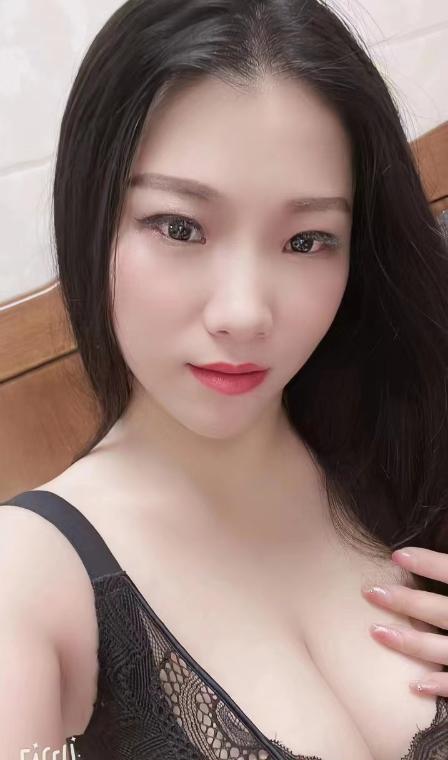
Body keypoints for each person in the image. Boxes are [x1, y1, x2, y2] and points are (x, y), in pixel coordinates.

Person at [2, 0, 448, 758]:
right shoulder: (29, 580)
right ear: (93, 216)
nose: (244, 314)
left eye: (307, 240)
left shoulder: (413, 446)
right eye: (180, 227)